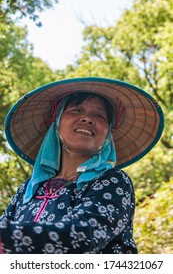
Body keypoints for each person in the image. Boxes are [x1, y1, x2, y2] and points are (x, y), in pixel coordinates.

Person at [0, 77, 164, 254]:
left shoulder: (113, 181)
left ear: (108, 132)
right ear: (56, 122)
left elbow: (82, 237)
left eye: (99, 115)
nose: (87, 118)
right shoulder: (26, 190)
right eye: (76, 110)